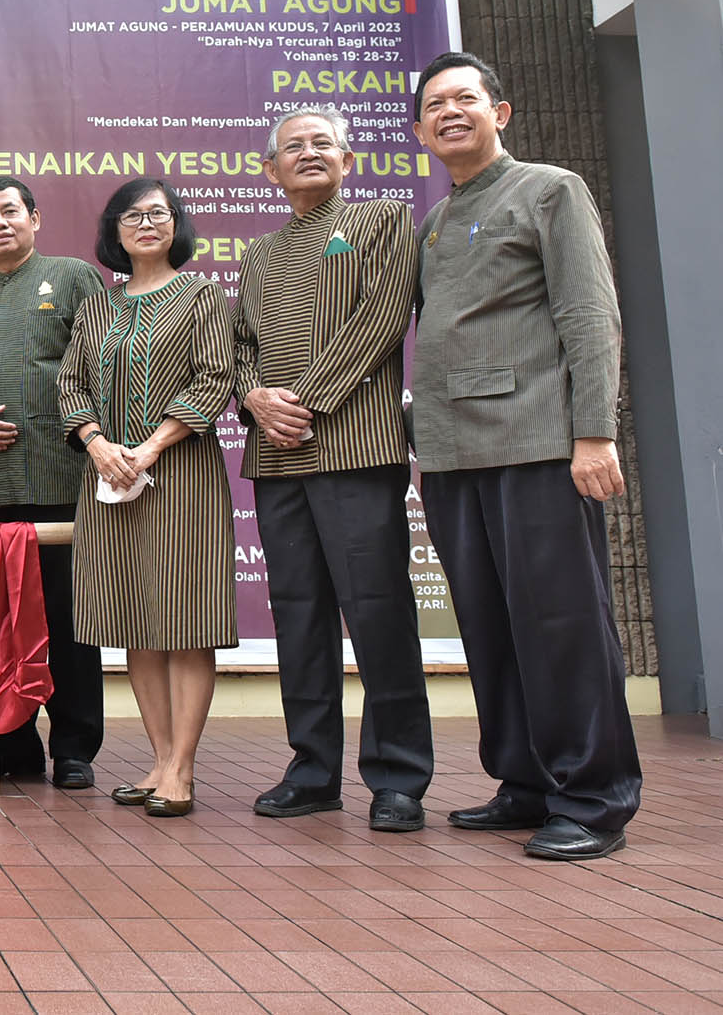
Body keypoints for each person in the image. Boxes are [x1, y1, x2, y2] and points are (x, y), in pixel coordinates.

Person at [411, 50, 640, 860]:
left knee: (563, 622)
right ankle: (525, 780)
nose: (450, 112)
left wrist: (594, 433)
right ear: (419, 129)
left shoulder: (549, 188)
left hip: (540, 444)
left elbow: (588, 314)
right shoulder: (435, 222)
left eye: (465, 98)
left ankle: (593, 796)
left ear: (498, 113)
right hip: (451, 457)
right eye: (435, 103)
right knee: (492, 624)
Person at [235, 107, 434, 832]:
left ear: (347, 158)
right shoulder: (258, 254)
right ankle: (312, 769)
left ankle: (399, 777)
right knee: (299, 615)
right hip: (277, 459)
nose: (310, 153)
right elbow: (238, 346)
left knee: (378, 609)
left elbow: (382, 319)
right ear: (271, 170)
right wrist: (254, 396)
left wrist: (305, 402)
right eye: (294, 147)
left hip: (356, 448)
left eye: (323, 143)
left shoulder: (382, 219)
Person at [57, 180, 234, 817]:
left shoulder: (202, 295)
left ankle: (182, 771)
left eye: (159, 213)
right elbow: (70, 381)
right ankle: (158, 760)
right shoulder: (97, 306)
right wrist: (98, 442)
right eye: (132, 216)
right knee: (133, 618)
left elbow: (217, 379)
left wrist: (151, 446)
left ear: (177, 225)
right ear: (114, 231)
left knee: (186, 620)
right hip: (108, 480)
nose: (146, 224)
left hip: (180, 477)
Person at [0, 176, 105, 789]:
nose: (0, 222)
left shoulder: (76, 277)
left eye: (11, 211)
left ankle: (76, 748)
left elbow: (101, 365)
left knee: (68, 621)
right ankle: (13, 746)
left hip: (66, 479)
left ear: (36, 218)